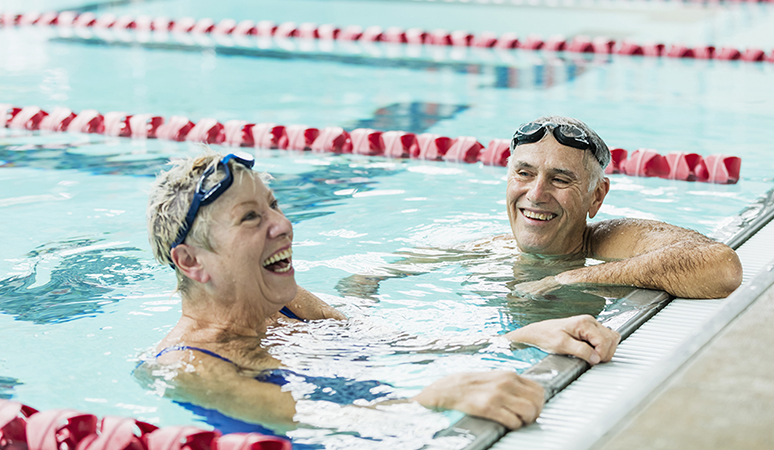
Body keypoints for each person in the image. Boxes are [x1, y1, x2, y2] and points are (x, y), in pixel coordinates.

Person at [136, 151, 620, 434]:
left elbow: (388, 339)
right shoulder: (185, 365)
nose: (283, 225)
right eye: (250, 217)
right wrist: (429, 401)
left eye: (274, 206)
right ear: (191, 262)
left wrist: (522, 337)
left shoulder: (284, 302)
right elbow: (321, 420)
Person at [337, 116, 742, 303]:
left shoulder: (610, 241)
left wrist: (568, 280)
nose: (536, 193)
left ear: (596, 197)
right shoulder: (491, 248)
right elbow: (370, 272)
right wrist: (359, 299)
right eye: (524, 173)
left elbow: (721, 267)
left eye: (561, 179)